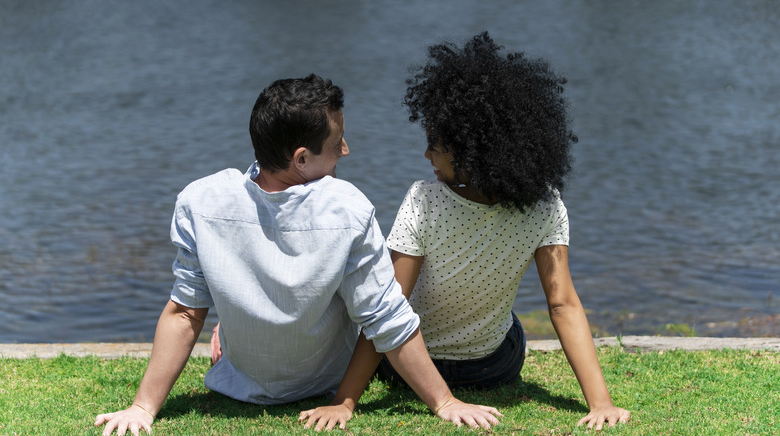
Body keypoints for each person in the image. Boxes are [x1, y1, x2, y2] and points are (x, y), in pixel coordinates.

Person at [94, 74, 501, 436]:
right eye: (336, 142)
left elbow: (185, 312)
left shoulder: (200, 200)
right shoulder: (347, 206)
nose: (346, 149)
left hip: (239, 383)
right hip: (325, 383)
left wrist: (143, 407)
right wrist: (445, 402)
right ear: (302, 159)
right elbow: (385, 316)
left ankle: (230, 333)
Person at [377, 32, 632, 431]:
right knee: (507, 323)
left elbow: (390, 307)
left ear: (467, 150)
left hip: (407, 372)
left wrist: (345, 400)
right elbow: (562, 304)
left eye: (434, 144)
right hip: (494, 368)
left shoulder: (424, 199)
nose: (426, 155)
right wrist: (601, 403)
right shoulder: (545, 204)